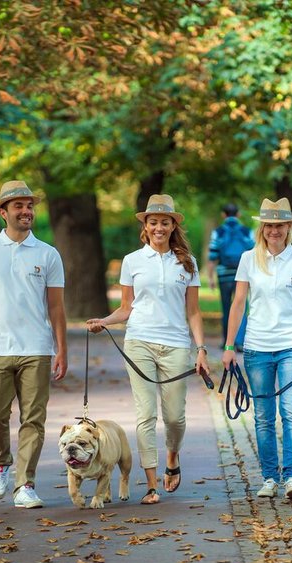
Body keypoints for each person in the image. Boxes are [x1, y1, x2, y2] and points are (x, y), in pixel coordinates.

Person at [86, 194, 208, 505]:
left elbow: (193, 311)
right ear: (146, 225)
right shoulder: (132, 261)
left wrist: (201, 349)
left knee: (175, 418)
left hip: (177, 344)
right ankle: (152, 484)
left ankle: (172, 457)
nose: (158, 227)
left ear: (172, 226)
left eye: (164, 222)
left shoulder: (188, 263)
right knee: (146, 414)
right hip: (139, 341)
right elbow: (127, 308)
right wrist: (104, 321)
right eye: (152, 222)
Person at [0, 180, 68, 509]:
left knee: (33, 419)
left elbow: (57, 307)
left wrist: (62, 348)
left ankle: (25, 485)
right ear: (3, 213)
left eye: (30, 206)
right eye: (18, 206)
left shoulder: (48, 254)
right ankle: (1, 463)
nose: (26, 211)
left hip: (37, 348)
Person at [220, 198, 292, 501]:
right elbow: (238, 304)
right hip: (257, 348)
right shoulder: (248, 259)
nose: (274, 230)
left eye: (280, 225)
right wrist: (230, 346)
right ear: (263, 227)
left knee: (291, 411)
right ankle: (270, 478)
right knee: (263, 416)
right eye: (269, 225)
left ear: (289, 228)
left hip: (291, 345)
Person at [208, 203, 253, 351]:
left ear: (223, 215)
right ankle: (239, 341)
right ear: (238, 214)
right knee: (242, 306)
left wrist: (210, 277)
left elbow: (212, 255)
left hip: (224, 274)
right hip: (243, 274)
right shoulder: (247, 231)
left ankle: (227, 342)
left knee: (227, 308)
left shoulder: (218, 232)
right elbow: (254, 253)